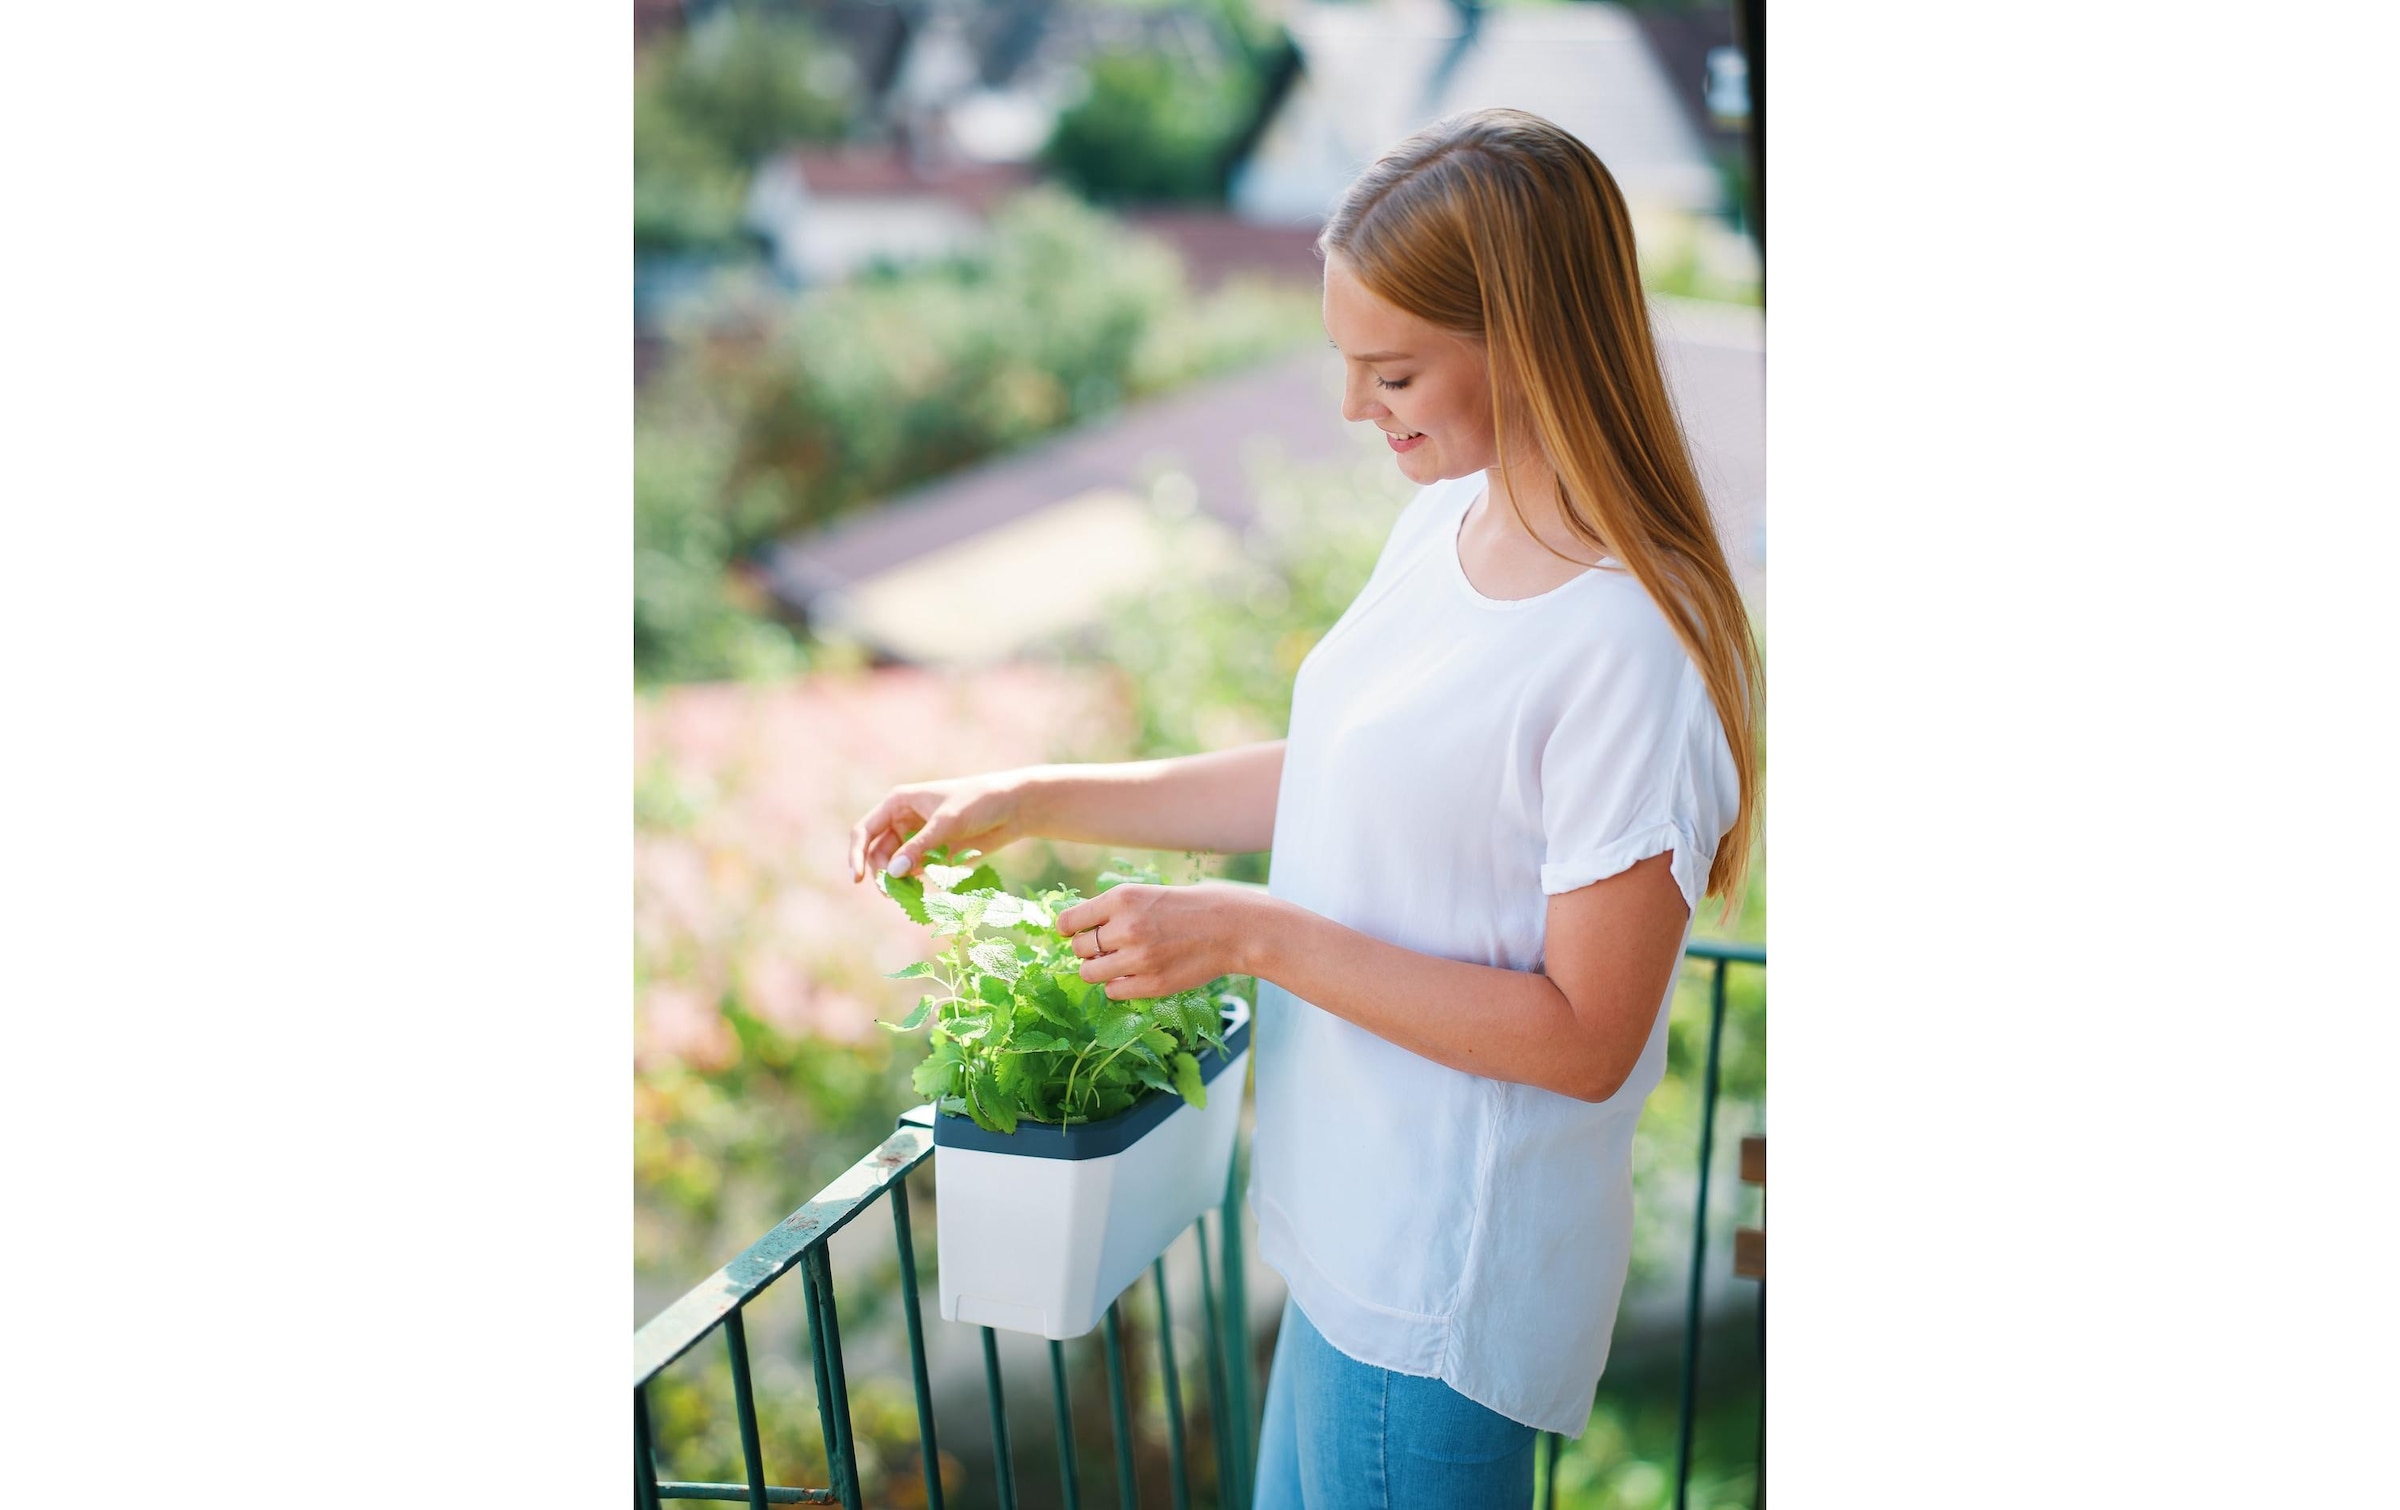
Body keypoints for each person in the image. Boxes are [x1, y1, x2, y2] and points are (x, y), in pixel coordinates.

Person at [846, 107, 1760, 1510]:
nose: (1353, 408)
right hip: (1343, 1236)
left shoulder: (1625, 645)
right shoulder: (1444, 521)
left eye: (1391, 369)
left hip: (1434, 1291)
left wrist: (1254, 934)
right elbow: (1338, 764)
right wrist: (1029, 797)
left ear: (1527, 342)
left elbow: (1588, 1037)